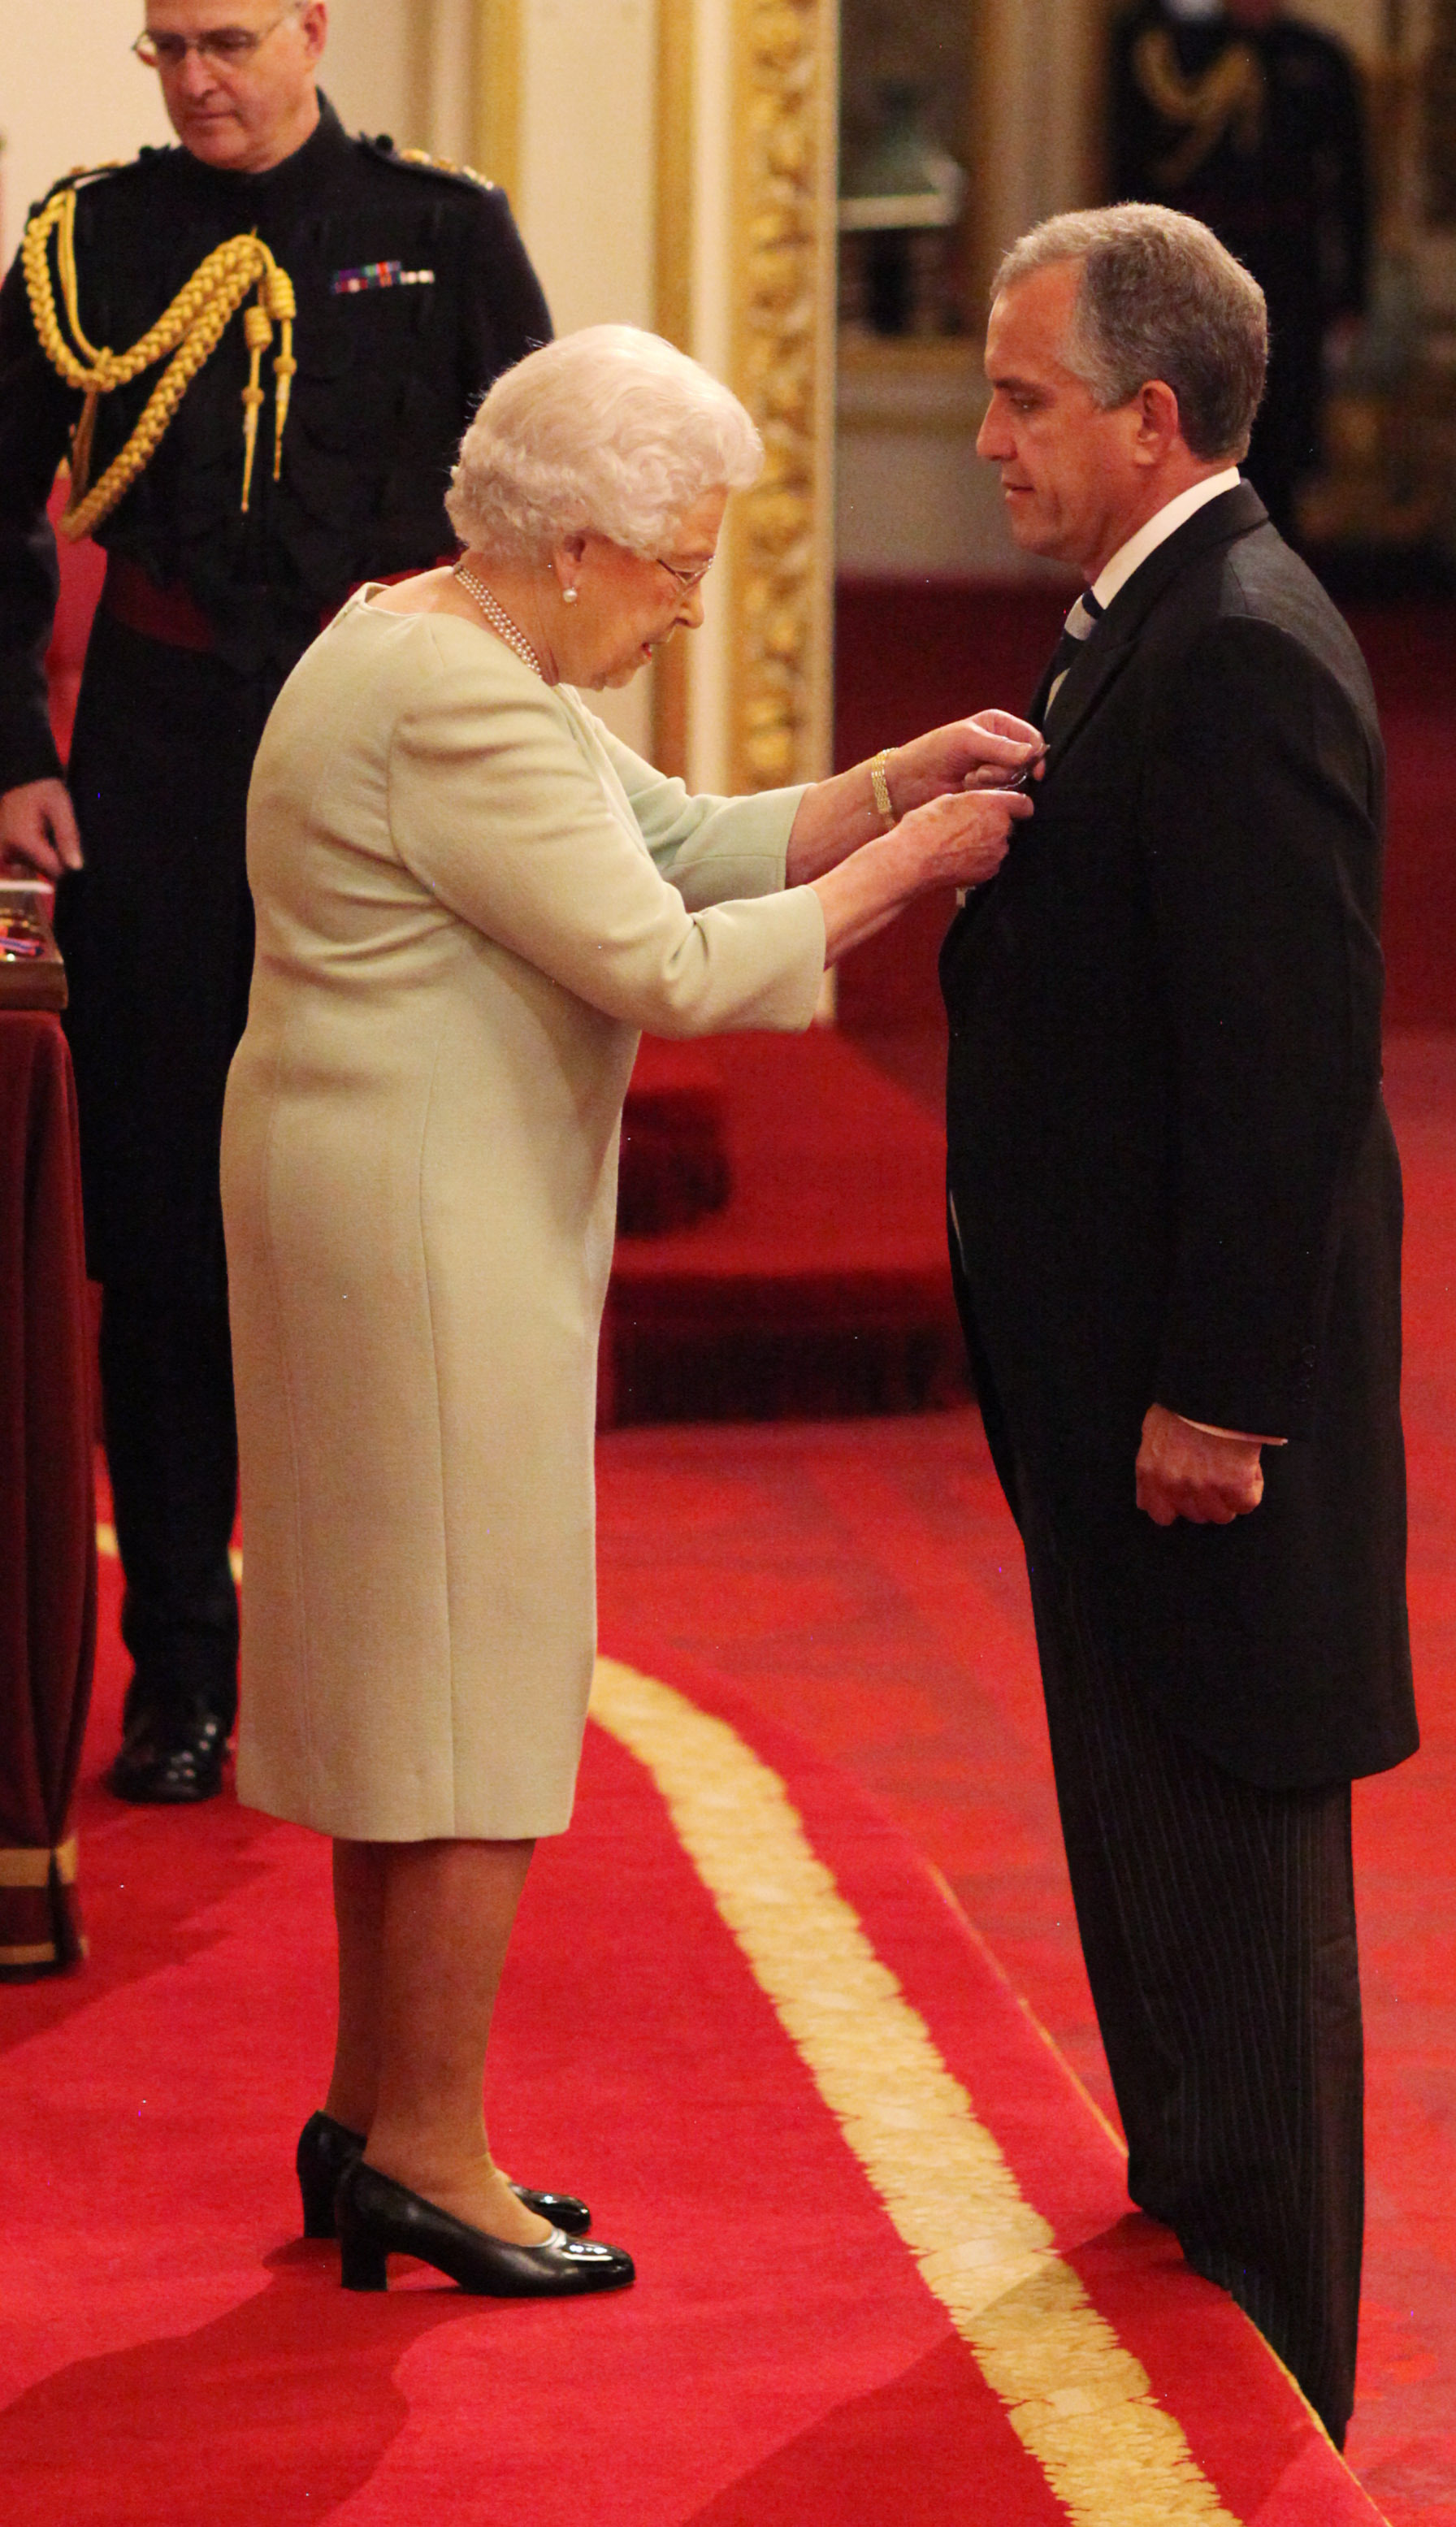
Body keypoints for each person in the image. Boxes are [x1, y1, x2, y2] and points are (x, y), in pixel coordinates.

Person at [223, 324, 1041, 2295]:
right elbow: (667, 960)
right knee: (473, 1685)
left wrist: (888, 780)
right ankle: (430, 2150)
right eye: (677, 566)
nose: (685, 607)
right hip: (424, 1224)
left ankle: (373, 2117)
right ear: (577, 544)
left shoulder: (442, 635)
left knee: (412, 1677)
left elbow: (668, 838)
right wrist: (917, 866)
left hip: (393, 1193)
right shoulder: (461, 697)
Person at [0, 0, 551, 1805]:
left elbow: (543, 516)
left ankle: (379, 1662)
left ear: (310, 28)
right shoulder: (92, 242)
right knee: (164, 1232)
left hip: (389, 756)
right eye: (165, 49)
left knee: (393, 1222)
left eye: (226, 40)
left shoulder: (443, 231)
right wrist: (14, 759)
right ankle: (183, 1671)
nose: (197, 80)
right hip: (164, 754)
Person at [947, 204, 1416, 2442]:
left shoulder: (1236, 645)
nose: (985, 437)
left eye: (1020, 397)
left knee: (1234, 1905)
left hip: (1193, 1418)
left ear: (1150, 416)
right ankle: (1200, 2344)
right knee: (1156, 1880)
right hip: (1108, 1390)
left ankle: (1277, 2403)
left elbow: (1285, 1069)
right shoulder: (1149, 614)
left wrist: (1220, 1396)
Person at [1107, 0, 1367, 539]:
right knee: (1191, 443)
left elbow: (1353, 188)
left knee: (1281, 449)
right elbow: (1135, 176)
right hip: (1194, 279)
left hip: (1288, 279)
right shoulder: (1176, 49)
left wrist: (1351, 295)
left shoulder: (1318, 58)